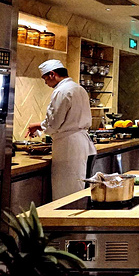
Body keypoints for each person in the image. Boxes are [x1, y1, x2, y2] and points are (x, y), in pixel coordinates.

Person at [26, 60, 95, 200]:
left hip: (68, 146)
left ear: (52, 74)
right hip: (82, 144)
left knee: (66, 191)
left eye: (45, 78)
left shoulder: (61, 91)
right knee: (77, 189)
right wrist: (40, 127)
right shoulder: (79, 88)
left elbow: (53, 123)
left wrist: (38, 126)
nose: (46, 83)